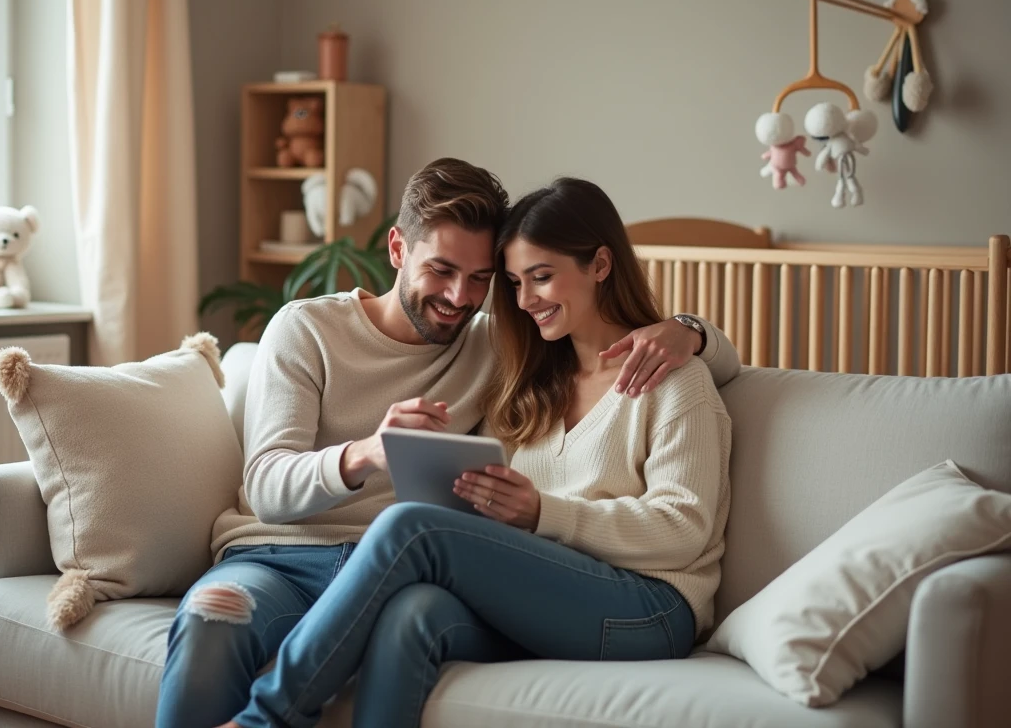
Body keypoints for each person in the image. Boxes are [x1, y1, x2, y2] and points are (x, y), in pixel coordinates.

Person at [156, 161, 739, 727]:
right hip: (289, 561)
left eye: (486, 280)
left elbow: (709, 401)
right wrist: (365, 453)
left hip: (544, 583)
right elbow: (266, 489)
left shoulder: (518, 350)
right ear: (397, 250)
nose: (462, 297)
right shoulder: (318, 332)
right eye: (445, 271)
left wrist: (687, 331)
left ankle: (268, 719)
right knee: (253, 620)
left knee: (414, 547)